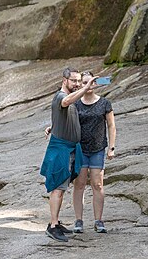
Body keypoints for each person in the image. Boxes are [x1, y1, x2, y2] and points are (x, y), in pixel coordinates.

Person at [40, 68, 96, 242]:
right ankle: (53, 225)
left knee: (62, 188)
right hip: (61, 150)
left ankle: (56, 222)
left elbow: (63, 116)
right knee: (57, 188)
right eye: (74, 81)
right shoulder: (60, 97)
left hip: (71, 148)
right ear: (64, 80)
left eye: (79, 81)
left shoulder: (72, 99)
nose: (77, 84)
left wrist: (52, 126)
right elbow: (65, 102)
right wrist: (85, 89)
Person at [72, 71, 116, 234]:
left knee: (97, 184)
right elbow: (67, 123)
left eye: (90, 82)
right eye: (84, 83)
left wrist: (111, 147)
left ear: (96, 83)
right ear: (80, 85)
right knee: (80, 184)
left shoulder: (104, 103)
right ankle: (79, 220)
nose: (88, 85)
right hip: (81, 149)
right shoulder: (76, 104)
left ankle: (98, 220)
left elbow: (111, 125)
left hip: (98, 148)